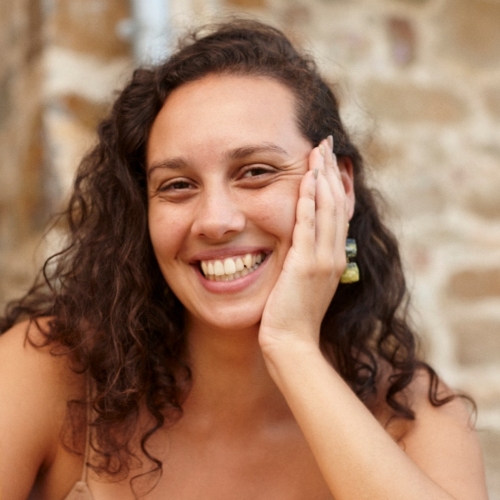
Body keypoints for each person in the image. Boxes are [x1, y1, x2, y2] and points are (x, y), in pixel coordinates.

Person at [0, 19, 488, 500]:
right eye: (177, 185)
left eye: (255, 172)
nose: (215, 221)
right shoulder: (48, 374)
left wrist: (292, 347)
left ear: (337, 186)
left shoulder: (414, 417)